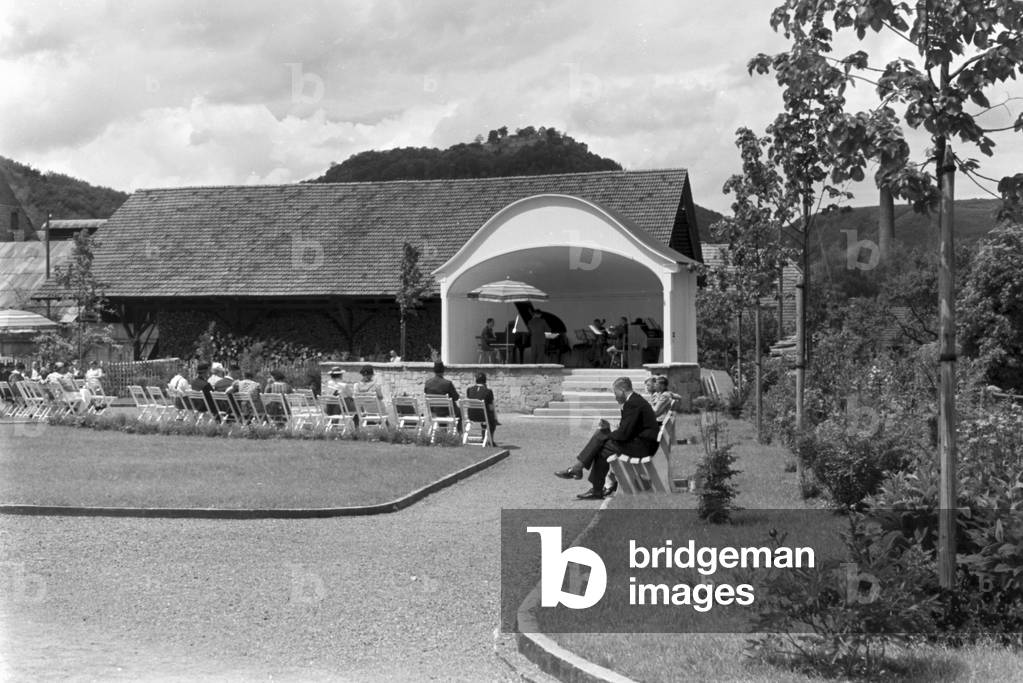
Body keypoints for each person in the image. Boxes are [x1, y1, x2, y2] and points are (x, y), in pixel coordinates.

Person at [553, 377, 660, 500]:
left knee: (603, 440)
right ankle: (584, 475)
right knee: (602, 439)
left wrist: (608, 434)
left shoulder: (632, 403)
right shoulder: (635, 400)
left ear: (622, 390)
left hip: (643, 447)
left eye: (615, 393)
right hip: (643, 443)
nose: (615, 397)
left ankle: (583, 475)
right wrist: (610, 430)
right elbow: (627, 430)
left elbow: (624, 434)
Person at [466, 371, 500, 445]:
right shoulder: (488, 391)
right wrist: (495, 417)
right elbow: (491, 407)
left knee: (483, 412)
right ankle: (490, 440)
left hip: (471, 415)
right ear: (485, 381)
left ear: (476, 380)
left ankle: (483, 437)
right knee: (490, 418)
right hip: (483, 416)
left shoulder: (469, 389)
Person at [425, 361, 461, 431]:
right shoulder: (447, 383)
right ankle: (459, 433)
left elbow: (426, 395)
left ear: (434, 370)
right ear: (443, 370)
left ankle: (443, 432)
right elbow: (456, 397)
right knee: (459, 412)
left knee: (441, 411)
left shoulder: (427, 383)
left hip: (434, 410)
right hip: (447, 410)